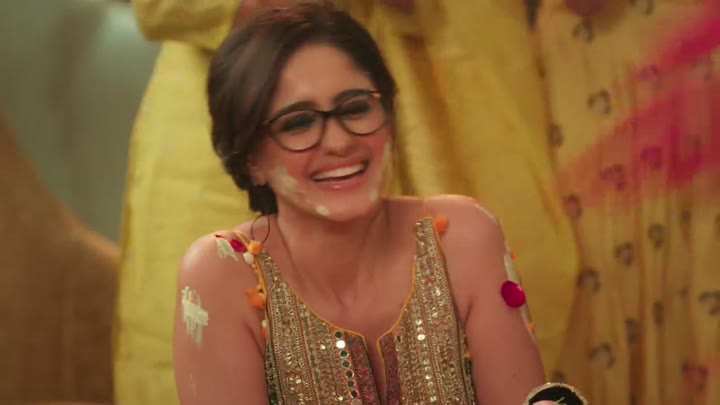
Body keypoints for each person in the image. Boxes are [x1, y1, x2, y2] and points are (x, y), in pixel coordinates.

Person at [172, 3, 585, 404]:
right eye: (298, 122)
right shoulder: (222, 272)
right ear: (251, 160)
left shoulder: (462, 236)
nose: (339, 142)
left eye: (356, 108)